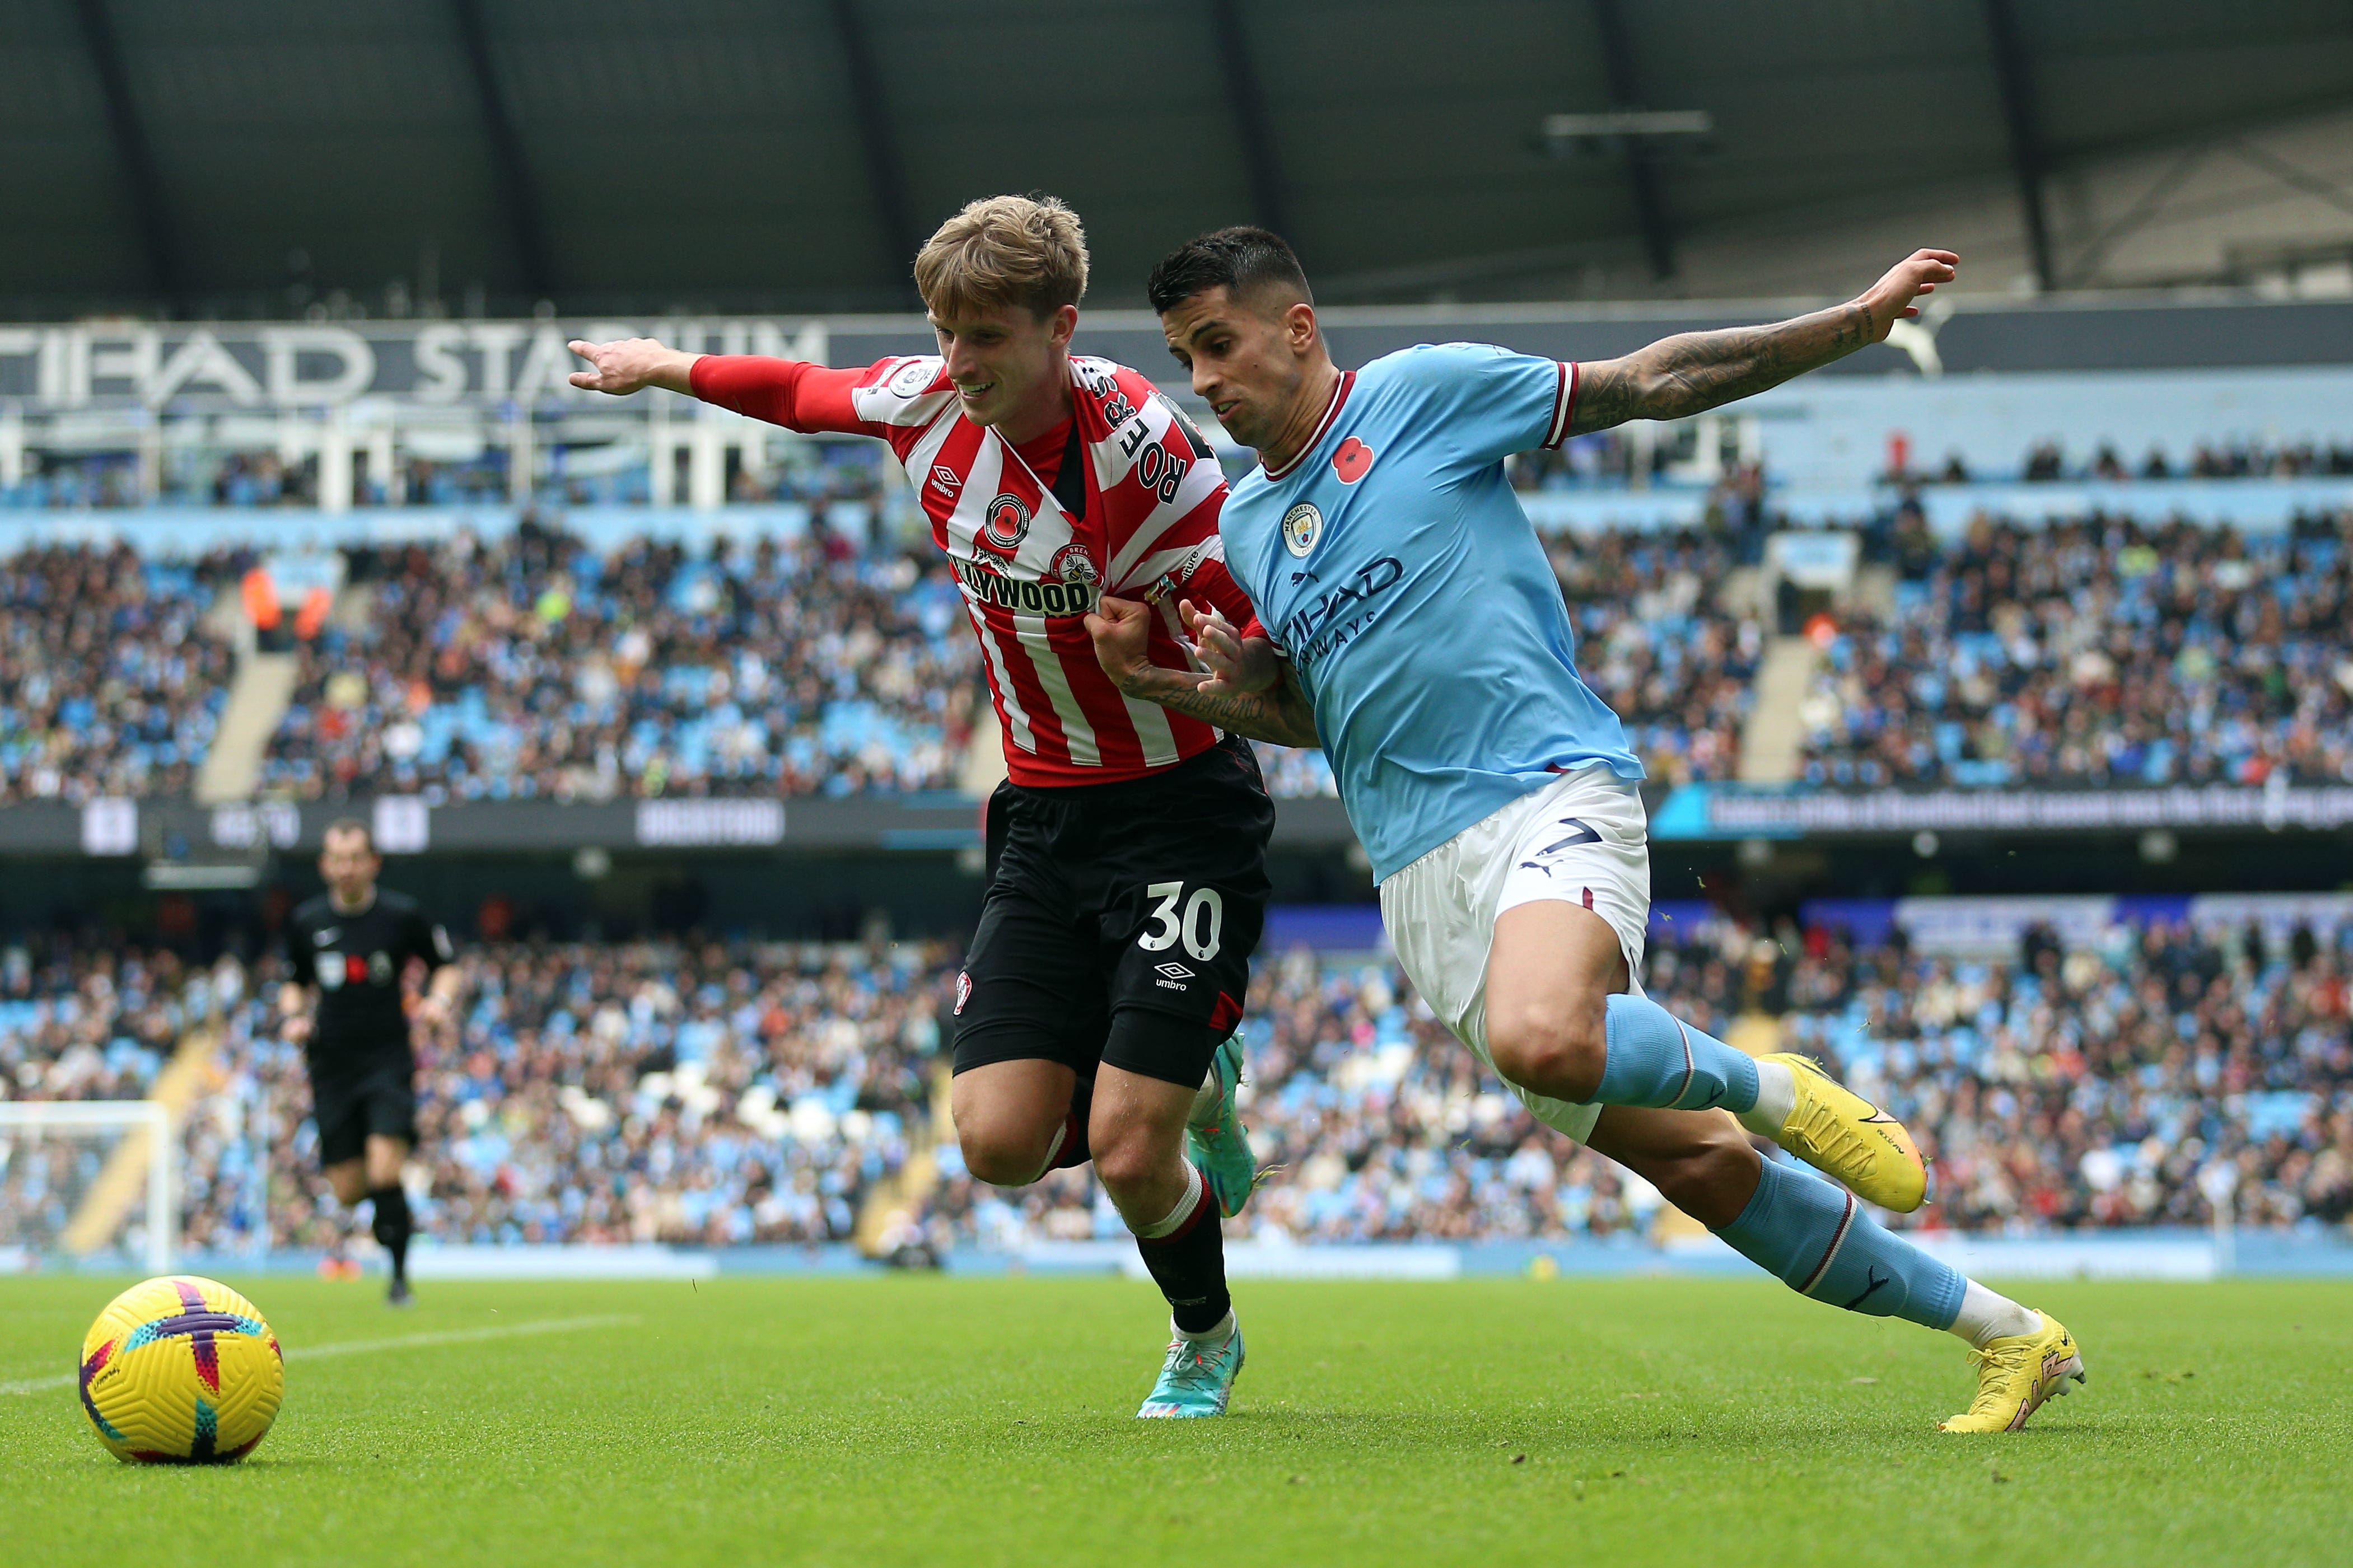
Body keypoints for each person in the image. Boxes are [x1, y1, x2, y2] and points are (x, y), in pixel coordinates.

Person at [1090, 226, 2086, 1435]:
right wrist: (1189, 688)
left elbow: (1650, 380)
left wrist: (1854, 323)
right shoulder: (1249, 528)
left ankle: (1775, 1082)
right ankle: (2012, 1334)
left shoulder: (1420, 394)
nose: (1204, 379)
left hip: (1546, 791)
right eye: (1185, 357)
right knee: (1701, 1167)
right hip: (1419, 878)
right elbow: (1318, 718)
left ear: (1295, 327)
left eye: (1218, 344)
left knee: (1547, 1033)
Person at [568, 195, 1272, 1418]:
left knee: (1122, 1145)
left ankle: (1202, 1333)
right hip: (1043, 818)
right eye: (944, 331)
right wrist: (662, 368)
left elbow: (1254, 625)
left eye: (985, 336)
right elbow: (797, 391)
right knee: (998, 1143)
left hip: (1179, 810)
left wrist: (1175, 660)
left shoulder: (1148, 450)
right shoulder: (928, 405)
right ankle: (1197, 1076)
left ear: (1060, 328)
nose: (957, 362)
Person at [277, 818, 459, 1305]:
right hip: (332, 1064)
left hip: (387, 1057)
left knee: (384, 1170)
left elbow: (445, 964)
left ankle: (399, 1279)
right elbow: (293, 979)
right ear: (325, 865)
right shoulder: (308, 921)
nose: (347, 868)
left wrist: (438, 1003)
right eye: (338, 859)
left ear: (373, 862)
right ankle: (389, 1221)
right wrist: (295, 1015)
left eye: (356, 857)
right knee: (348, 1189)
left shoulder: (401, 915)